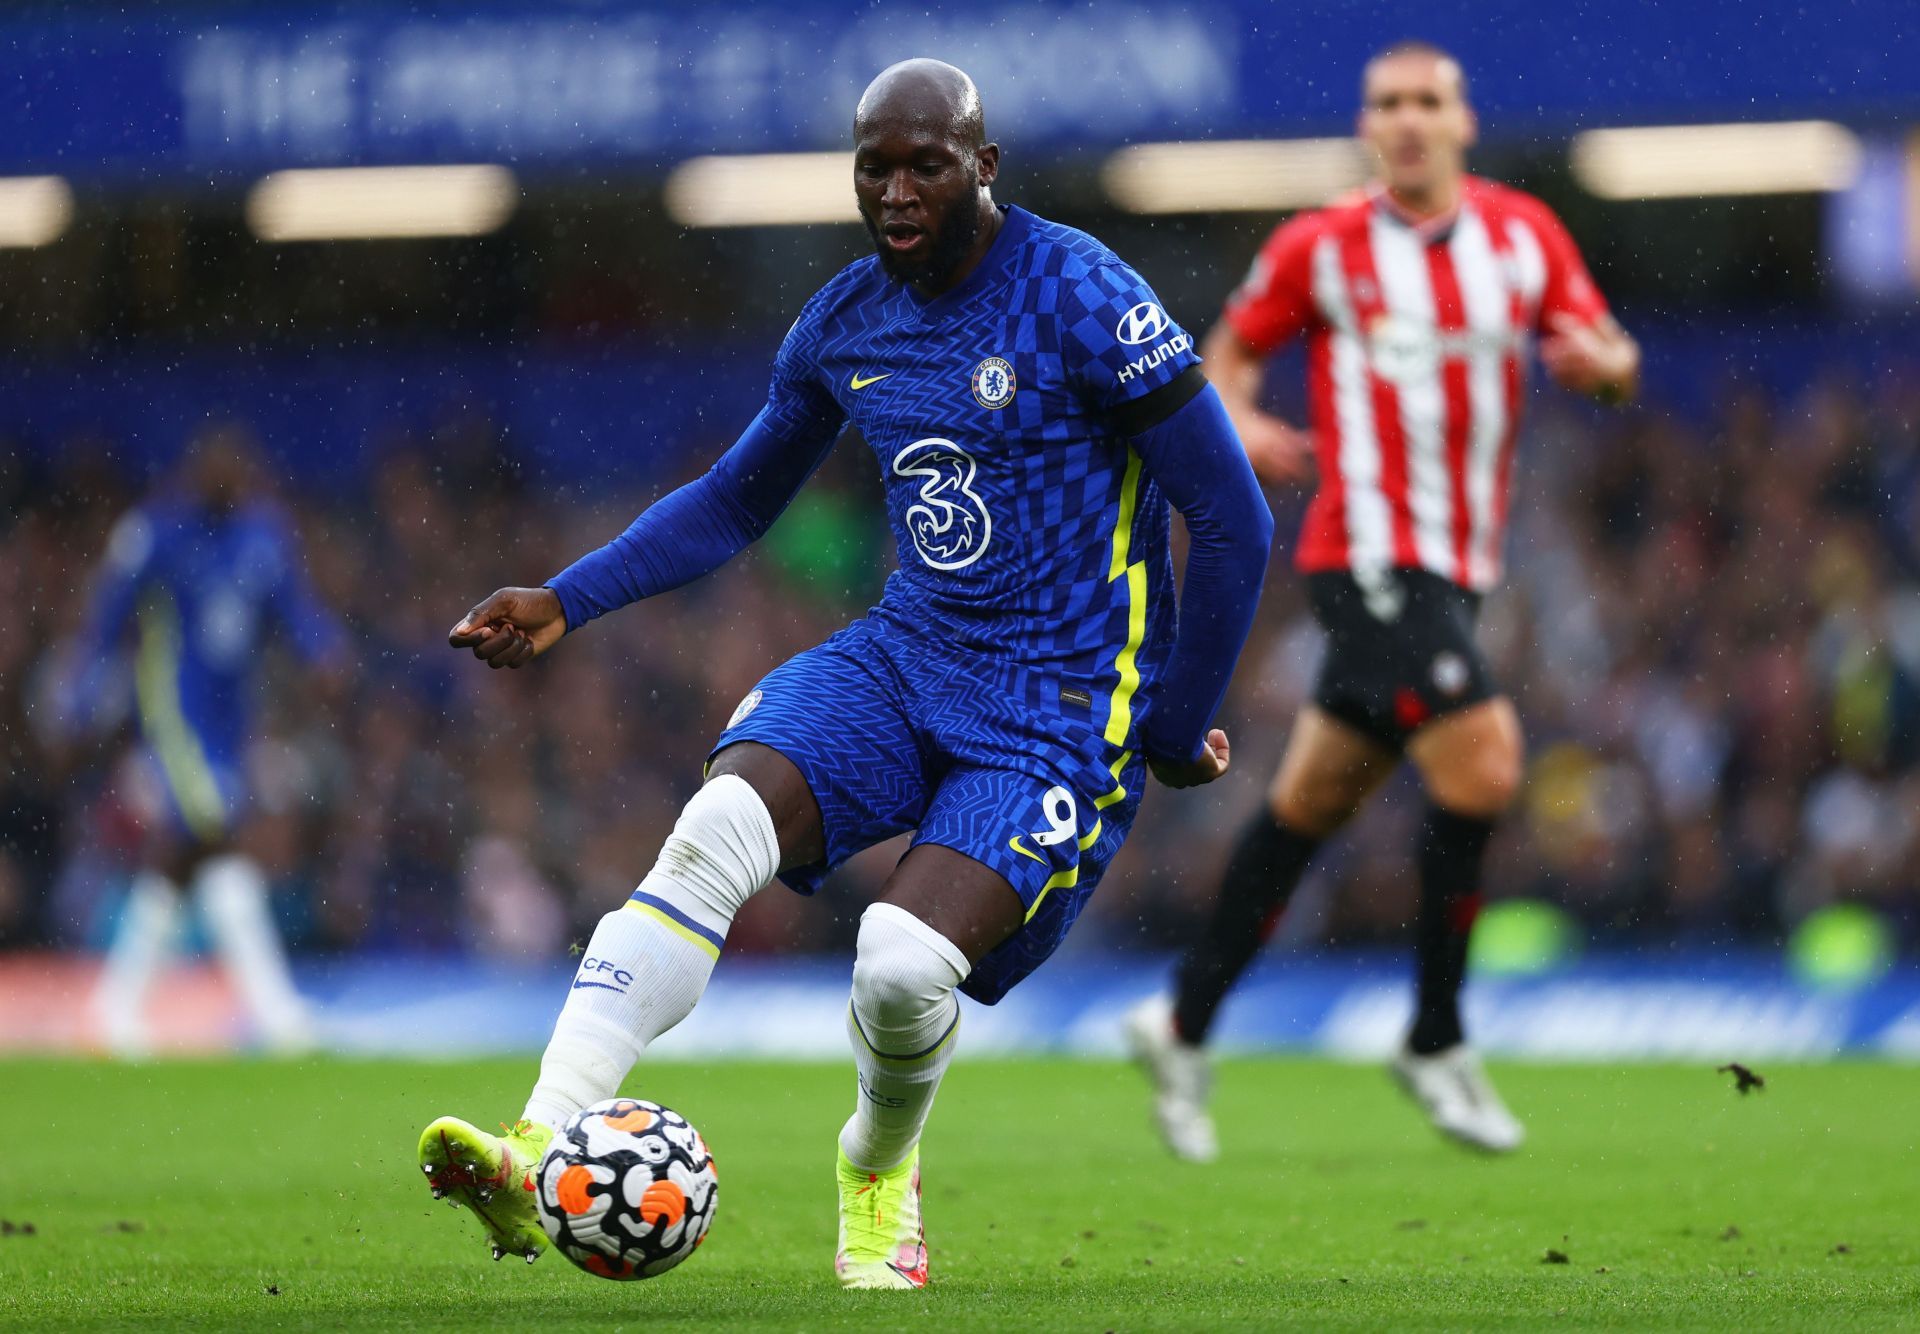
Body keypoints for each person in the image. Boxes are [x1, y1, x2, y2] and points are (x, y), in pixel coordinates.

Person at [417, 59, 1271, 1288]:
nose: (898, 187)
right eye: (876, 163)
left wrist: (1178, 719)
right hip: (907, 657)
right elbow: (733, 500)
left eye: (927, 161)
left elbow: (1231, 513)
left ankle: (876, 1163)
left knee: (902, 963)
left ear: (984, 166)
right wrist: (568, 597)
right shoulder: (844, 320)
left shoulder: (1083, 295)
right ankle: (534, 1143)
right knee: (714, 829)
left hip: (1060, 708)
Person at [1127, 41, 1640, 1161]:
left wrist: (1597, 362)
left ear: (1462, 121)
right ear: (1370, 125)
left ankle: (1180, 1019)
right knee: (1489, 757)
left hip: (1460, 562)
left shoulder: (1524, 236)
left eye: (1428, 102)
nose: (1408, 120)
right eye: (1387, 103)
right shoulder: (1322, 244)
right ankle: (1437, 1033)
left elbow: (1611, 355)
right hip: (1361, 546)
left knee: (1311, 798)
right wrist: (1244, 425)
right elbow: (1224, 360)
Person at [60, 424, 346, 1056]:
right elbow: (109, 616)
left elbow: (293, 609)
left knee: (190, 853)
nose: (228, 481)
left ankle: (115, 1008)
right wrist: (81, 690)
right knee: (215, 837)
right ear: (195, 474)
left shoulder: (264, 533)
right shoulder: (155, 533)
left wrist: (323, 650)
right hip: (175, 712)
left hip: (231, 718)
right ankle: (273, 1014)